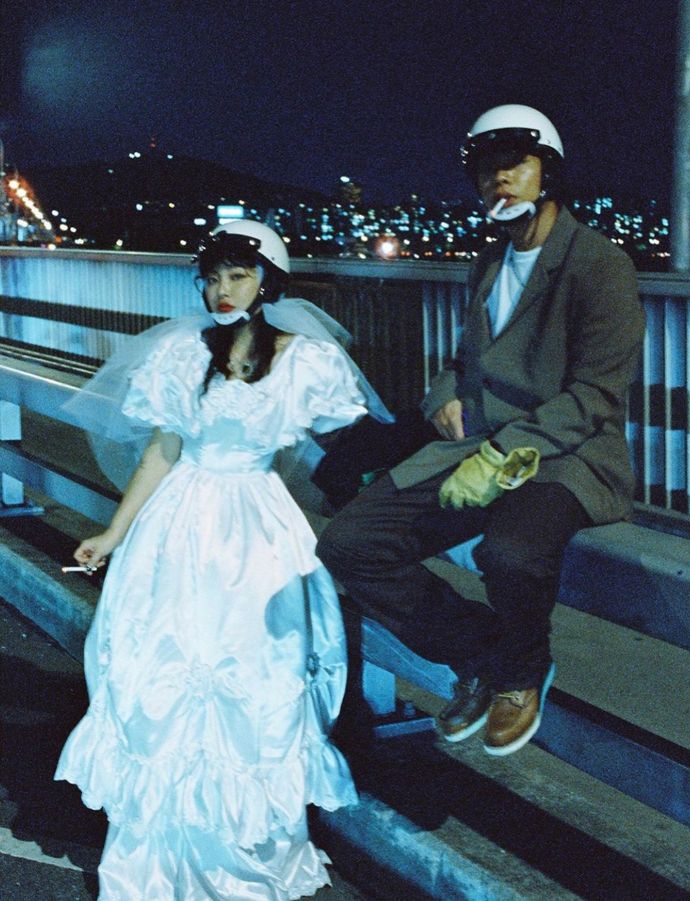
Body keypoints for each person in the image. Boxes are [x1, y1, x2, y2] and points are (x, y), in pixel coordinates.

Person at [55, 219, 391, 899]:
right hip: (179, 527)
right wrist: (116, 532)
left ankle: (251, 852)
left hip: (259, 533)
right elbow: (164, 450)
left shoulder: (306, 360)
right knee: (165, 674)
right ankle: (160, 852)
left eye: (236, 274)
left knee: (260, 682)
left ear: (269, 280)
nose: (221, 289)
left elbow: (353, 452)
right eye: (211, 277)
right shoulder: (182, 353)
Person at [317, 104, 645, 757]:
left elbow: (596, 394)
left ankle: (523, 675)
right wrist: (444, 395)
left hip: (564, 455)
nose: (500, 181)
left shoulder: (597, 263)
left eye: (515, 166)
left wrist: (501, 451)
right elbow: (463, 363)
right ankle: (488, 657)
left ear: (546, 172)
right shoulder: (489, 262)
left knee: (512, 552)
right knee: (352, 542)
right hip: (473, 447)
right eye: (488, 171)